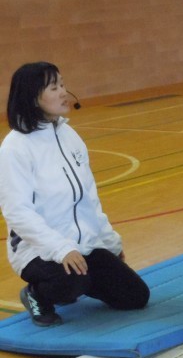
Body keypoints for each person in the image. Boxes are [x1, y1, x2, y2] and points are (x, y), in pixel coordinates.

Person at [0, 62, 150, 327]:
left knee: (135, 296)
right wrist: (61, 249)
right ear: (32, 97)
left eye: (62, 84)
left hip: (81, 245)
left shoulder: (70, 136)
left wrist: (110, 244)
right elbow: (17, 212)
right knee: (71, 281)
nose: (63, 92)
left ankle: (77, 282)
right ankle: (37, 294)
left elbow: (88, 199)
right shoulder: (15, 148)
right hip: (37, 250)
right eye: (54, 88)